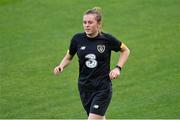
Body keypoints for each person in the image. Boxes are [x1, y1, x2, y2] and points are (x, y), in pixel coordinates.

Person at [54, 7, 130, 120]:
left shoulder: (107, 39)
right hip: (84, 87)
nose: (86, 25)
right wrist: (61, 65)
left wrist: (118, 68)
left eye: (90, 22)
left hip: (102, 88)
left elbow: (125, 50)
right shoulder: (77, 39)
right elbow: (69, 57)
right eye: (84, 22)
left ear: (99, 24)